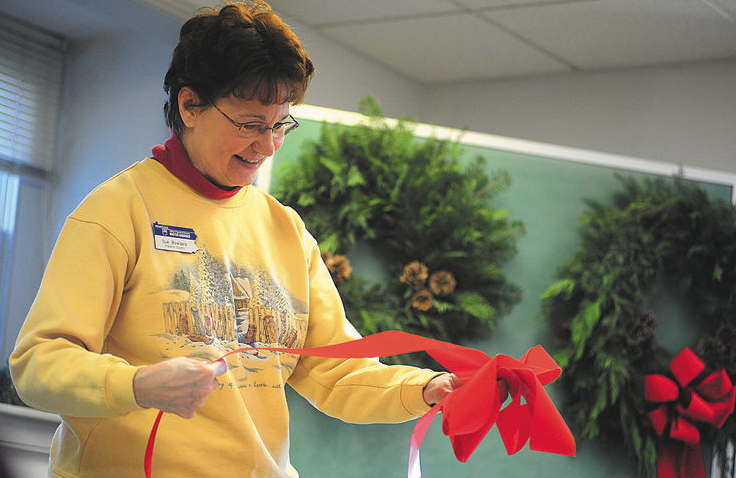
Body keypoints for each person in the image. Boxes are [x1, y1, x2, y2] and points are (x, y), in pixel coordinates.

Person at [9, 2, 505, 477]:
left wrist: (429, 387)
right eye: (249, 125)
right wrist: (135, 385)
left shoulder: (285, 230)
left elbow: (336, 373)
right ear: (190, 106)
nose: (267, 146)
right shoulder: (118, 211)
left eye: (279, 126)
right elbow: (38, 364)